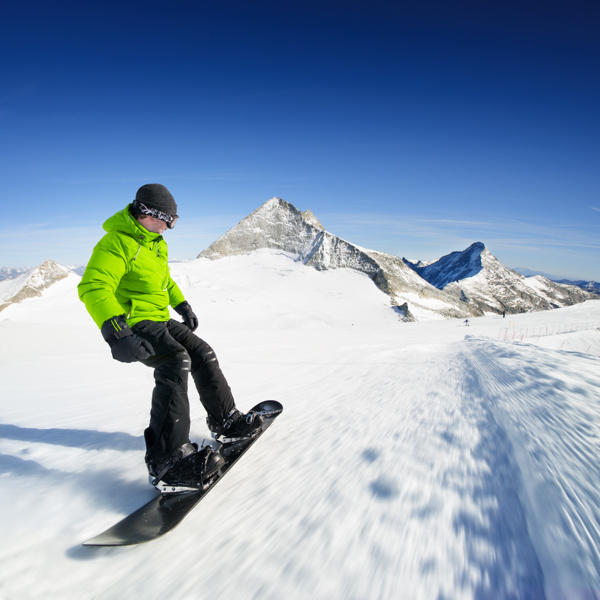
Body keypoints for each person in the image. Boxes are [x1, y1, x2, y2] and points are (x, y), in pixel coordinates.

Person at [78, 183, 263, 493]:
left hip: (160, 318)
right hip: (135, 322)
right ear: (146, 213)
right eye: (166, 220)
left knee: (202, 352)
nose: (169, 227)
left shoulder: (155, 242)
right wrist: (115, 331)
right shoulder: (116, 243)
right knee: (175, 361)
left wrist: (182, 305)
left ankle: (226, 421)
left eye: (174, 221)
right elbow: (94, 286)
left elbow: (164, 280)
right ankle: (167, 461)